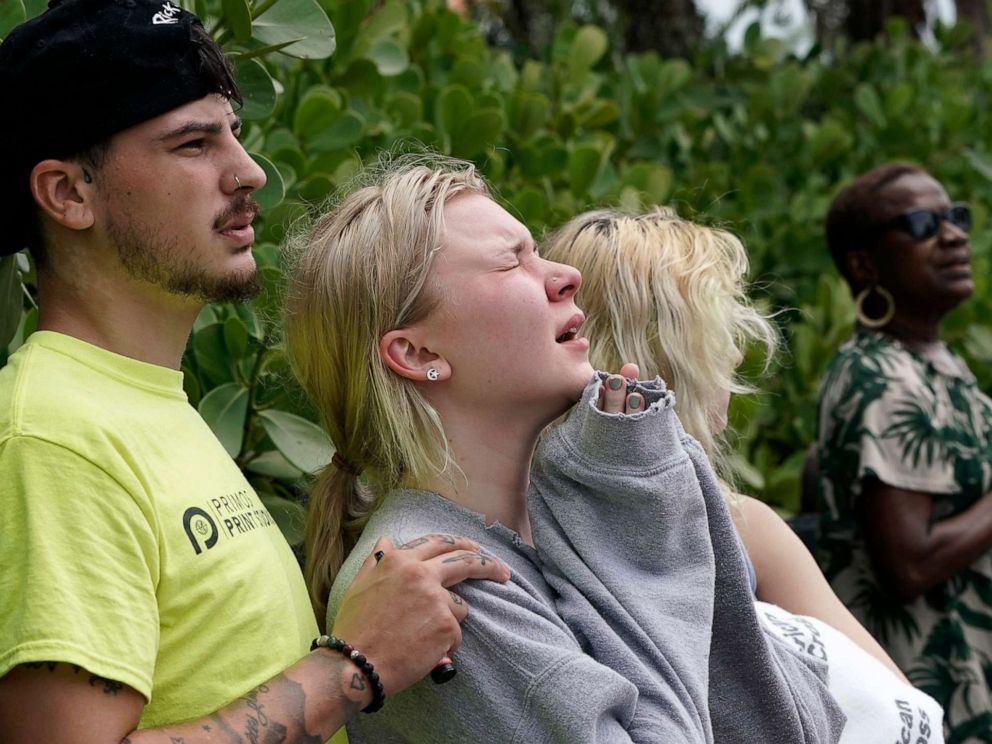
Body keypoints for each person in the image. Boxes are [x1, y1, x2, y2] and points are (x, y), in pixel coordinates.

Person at [0, 2, 509, 742]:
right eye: (193, 143)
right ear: (69, 194)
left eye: (233, 133)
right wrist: (352, 666)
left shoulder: (144, 405)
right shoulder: (52, 436)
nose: (247, 171)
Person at [284, 155, 848, 743]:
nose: (565, 276)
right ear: (419, 354)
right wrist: (644, 523)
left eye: (538, 251)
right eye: (512, 262)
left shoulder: (551, 527)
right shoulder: (444, 586)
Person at [540, 206, 903, 677]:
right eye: (715, 335)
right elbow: (902, 707)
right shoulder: (742, 529)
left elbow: (902, 709)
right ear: (662, 355)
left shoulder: (518, 518)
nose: (734, 355)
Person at [816, 163, 992, 739]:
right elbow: (907, 564)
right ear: (865, 265)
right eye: (921, 223)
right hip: (933, 689)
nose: (953, 235)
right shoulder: (880, 377)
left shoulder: (937, 366)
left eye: (955, 217)